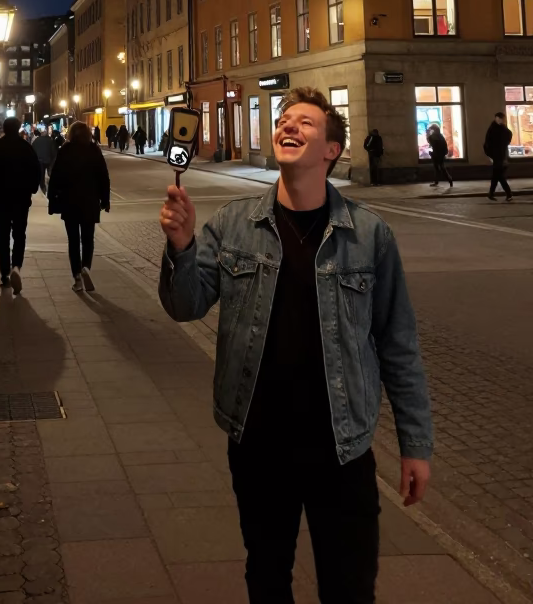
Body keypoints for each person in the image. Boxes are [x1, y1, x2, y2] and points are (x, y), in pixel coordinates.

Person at [159, 86, 432, 604]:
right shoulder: (233, 224)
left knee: (349, 587)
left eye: (306, 123)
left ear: (332, 150)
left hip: (342, 444)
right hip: (258, 442)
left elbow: (398, 344)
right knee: (266, 578)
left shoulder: (370, 235)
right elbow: (185, 306)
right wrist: (182, 247)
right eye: (284, 119)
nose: (289, 126)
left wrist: (416, 445)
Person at [0, 115, 41, 293]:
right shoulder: (26, 147)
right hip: (21, 198)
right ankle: (17, 266)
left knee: (3, 235)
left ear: (4, 129)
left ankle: (5, 273)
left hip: (1, 198)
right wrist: (31, 189)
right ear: (19, 128)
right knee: (20, 234)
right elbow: (35, 170)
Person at [49, 120, 110, 292]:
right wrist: (105, 200)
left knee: (73, 241)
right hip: (90, 201)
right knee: (88, 238)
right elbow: (103, 177)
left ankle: (77, 277)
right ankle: (86, 268)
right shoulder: (94, 150)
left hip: (69, 201)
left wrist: (53, 200)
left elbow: (56, 177)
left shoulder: (65, 150)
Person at [484, 111, 514, 201]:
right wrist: (489, 155)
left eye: (502, 119)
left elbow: (508, 136)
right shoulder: (493, 129)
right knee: (499, 175)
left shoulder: (503, 129)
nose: (500, 120)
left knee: (496, 175)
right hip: (496, 156)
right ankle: (508, 194)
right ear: (496, 118)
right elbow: (487, 143)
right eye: (499, 119)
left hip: (500, 155)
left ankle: (491, 194)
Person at [427, 123, 453, 188]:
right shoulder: (440, 136)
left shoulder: (434, 136)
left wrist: (428, 135)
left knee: (439, 168)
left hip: (437, 154)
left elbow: (431, 142)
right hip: (440, 154)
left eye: (431, 129)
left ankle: (448, 180)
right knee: (440, 168)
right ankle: (448, 180)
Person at [32, 126, 55, 195]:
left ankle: (43, 188)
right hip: (48, 160)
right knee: (50, 175)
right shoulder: (51, 141)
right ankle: (49, 188)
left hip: (39, 161)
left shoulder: (36, 141)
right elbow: (54, 151)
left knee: (41, 176)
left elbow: (33, 151)